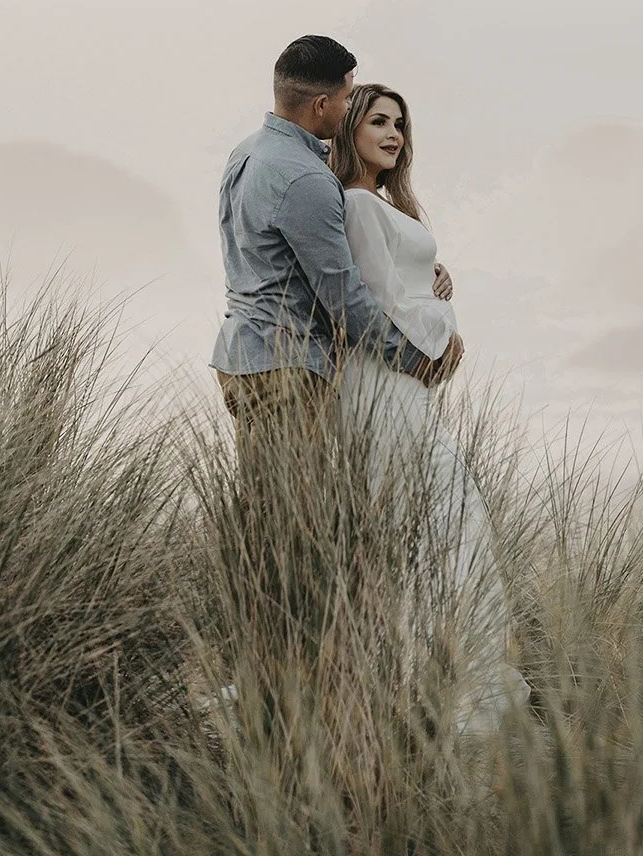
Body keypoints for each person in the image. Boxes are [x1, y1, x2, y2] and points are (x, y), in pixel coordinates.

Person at [329, 82, 528, 736]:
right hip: (382, 387)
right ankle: (411, 678)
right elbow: (383, 302)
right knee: (425, 517)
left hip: (404, 387)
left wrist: (439, 284)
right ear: (350, 127)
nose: (393, 134)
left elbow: (407, 287)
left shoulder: (387, 202)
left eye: (400, 124)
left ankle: (433, 676)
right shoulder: (357, 203)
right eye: (379, 121)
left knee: (443, 520)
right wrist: (445, 320)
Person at [210, 36, 463, 432]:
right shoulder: (307, 178)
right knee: (288, 495)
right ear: (321, 105)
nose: (348, 109)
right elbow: (343, 294)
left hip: (242, 353)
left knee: (263, 493)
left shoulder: (247, 153)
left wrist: (420, 269)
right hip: (288, 366)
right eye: (346, 100)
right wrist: (413, 358)